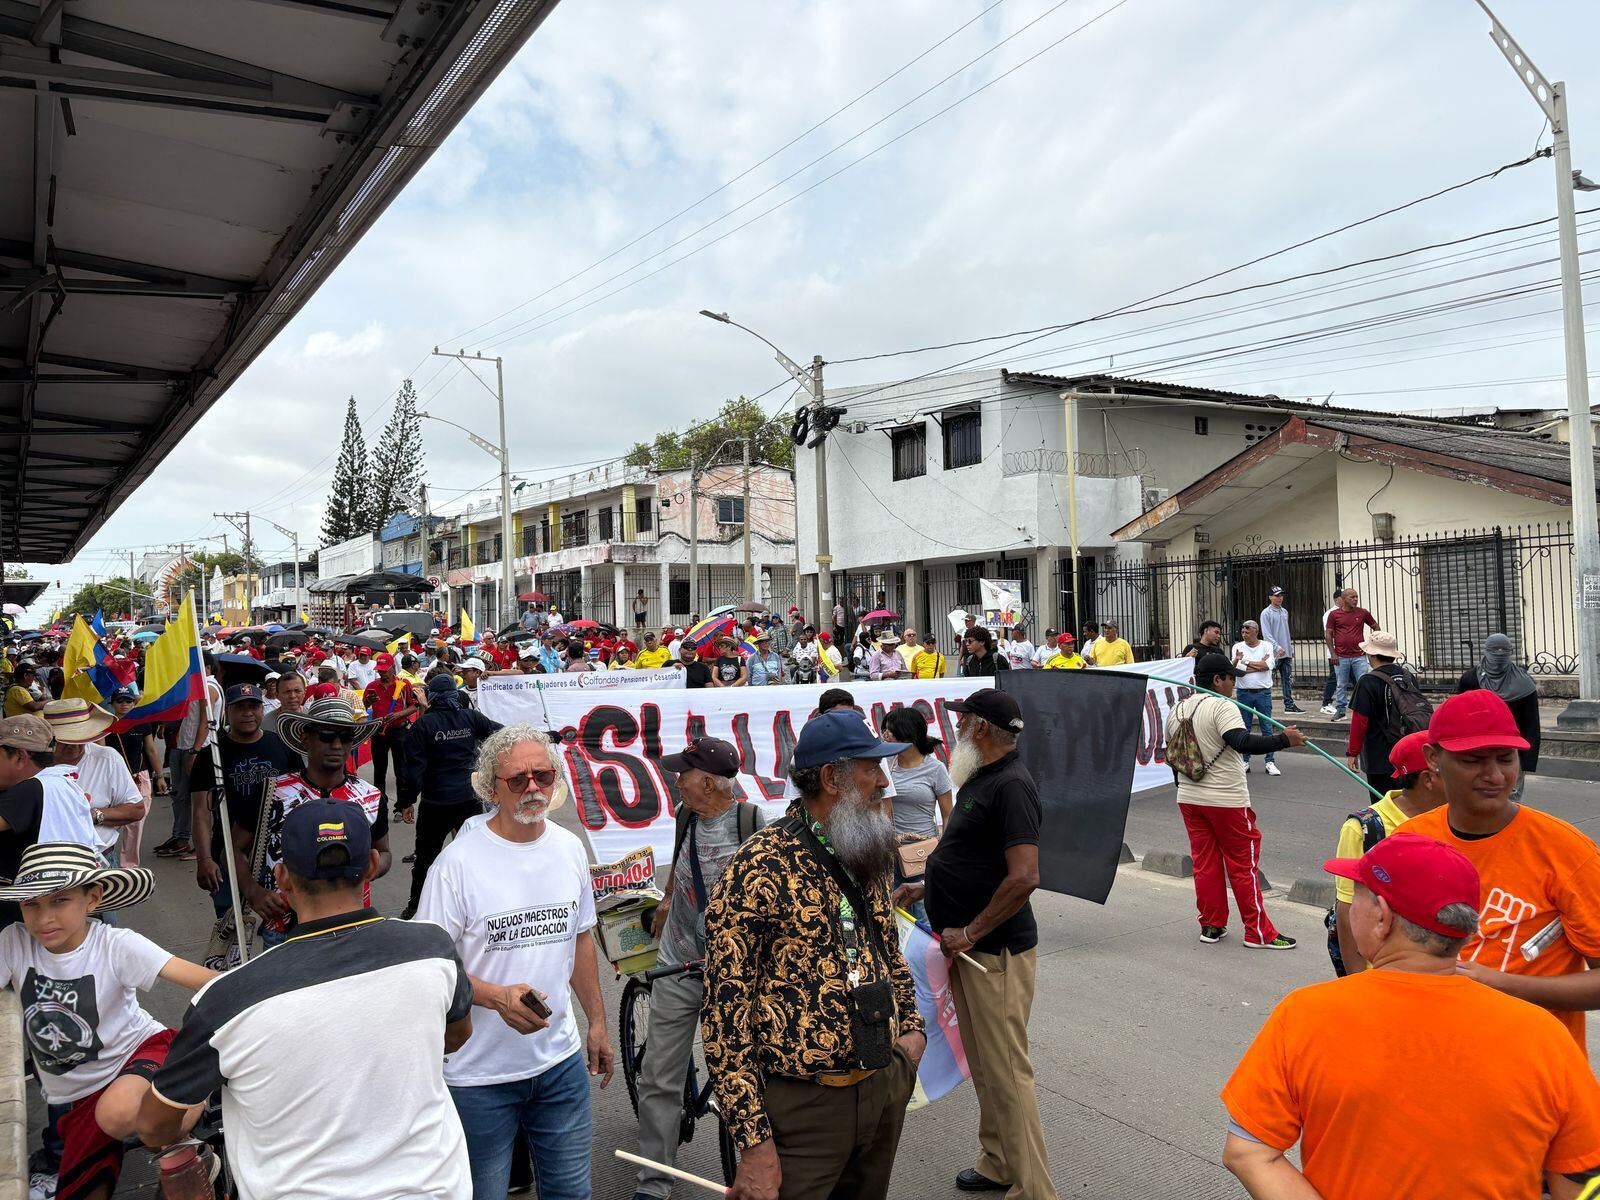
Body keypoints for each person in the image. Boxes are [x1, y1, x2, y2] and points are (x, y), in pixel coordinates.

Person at [1222, 832, 1600, 1200]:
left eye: (1358, 897)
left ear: (1382, 917)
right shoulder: (1543, 1035)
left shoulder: (1306, 1014)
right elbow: (1583, 1178)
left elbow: (1248, 1152)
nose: (1350, 910)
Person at [140, 800, 475, 1200]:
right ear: (371, 865)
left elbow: (154, 1127)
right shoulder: (433, 947)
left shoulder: (226, 1002)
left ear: (281, 877)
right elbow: (455, 1035)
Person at [703, 709, 923, 1200]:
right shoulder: (759, 867)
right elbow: (724, 1018)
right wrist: (755, 1145)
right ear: (830, 778)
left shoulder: (863, 845)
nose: (883, 782)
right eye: (871, 769)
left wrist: (911, 1032)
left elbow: (888, 944)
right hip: (804, 1109)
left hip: (882, 1084)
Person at [417, 725, 612, 1200]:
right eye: (518, 779)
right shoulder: (456, 865)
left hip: (560, 1065)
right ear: (489, 789)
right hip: (477, 1076)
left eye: (543, 776)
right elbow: (430, 968)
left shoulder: (568, 849)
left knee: (571, 1193)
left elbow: (580, 940)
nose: (533, 788)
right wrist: (495, 997)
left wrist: (598, 1022)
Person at [896, 689, 1055, 1200]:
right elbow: (967, 855)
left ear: (981, 729)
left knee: (1007, 1071)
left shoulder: (1011, 786)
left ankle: (1034, 1190)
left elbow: (1024, 876)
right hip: (964, 947)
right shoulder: (978, 779)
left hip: (994, 952)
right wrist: (928, 887)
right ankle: (999, 1160)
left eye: (963, 719)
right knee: (985, 1063)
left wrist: (971, 932)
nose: (957, 726)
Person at [2, 843, 212, 1200]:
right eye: (31, 903)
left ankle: (194, 1093)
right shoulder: (14, 942)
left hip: (140, 1054)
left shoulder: (116, 945)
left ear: (93, 899)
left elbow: (202, 979)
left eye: (58, 900)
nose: (43, 917)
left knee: (120, 1115)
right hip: (76, 1096)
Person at [1400, 690, 1600, 1052]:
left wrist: (1501, 984)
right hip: (1430, 1057)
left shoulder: (1567, 852)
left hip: (1534, 1074)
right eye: (1474, 760)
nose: (1494, 776)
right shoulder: (1409, 842)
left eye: (1506, 759)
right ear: (1433, 759)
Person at [630, 738, 764, 1200]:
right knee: (659, 1077)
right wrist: (665, 904)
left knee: (747, 1074)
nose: (676, 780)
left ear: (708, 782)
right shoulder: (687, 816)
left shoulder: (751, 824)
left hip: (735, 971)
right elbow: (680, 869)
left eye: (683, 774)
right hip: (677, 963)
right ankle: (654, 1181)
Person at [1166, 653, 1305, 949]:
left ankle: (1211, 925)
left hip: (1189, 798)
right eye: (1230, 679)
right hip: (1226, 799)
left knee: (1205, 863)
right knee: (1244, 866)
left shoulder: (1177, 709)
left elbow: (1172, 756)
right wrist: (1284, 739)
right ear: (1218, 680)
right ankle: (1259, 933)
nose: (1233, 685)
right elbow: (1242, 742)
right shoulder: (1222, 706)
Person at [233, 697, 391, 946]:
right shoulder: (273, 792)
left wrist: (367, 871)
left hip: (353, 928)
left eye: (345, 737)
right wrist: (252, 891)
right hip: (283, 930)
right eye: (327, 736)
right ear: (306, 738)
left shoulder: (370, 796)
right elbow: (232, 849)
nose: (337, 745)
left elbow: (384, 853)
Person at [1328, 730, 1444, 975]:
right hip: (1382, 973)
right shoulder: (1366, 829)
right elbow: (1347, 908)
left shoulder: (1453, 822)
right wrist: (1357, 981)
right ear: (1428, 780)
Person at [189, 683, 298, 941]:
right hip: (227, 853)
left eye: (254, 706)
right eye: (240, 707)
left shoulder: (281, 746)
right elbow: (201, 813)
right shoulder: (212, 754)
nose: (248, 713)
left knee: (282, 930)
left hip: (278, 856)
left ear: (262, 709)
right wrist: (204, 859)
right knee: (232, 931)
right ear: (228, 711)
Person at [398, 673, 503, 920]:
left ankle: (416, 908)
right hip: (468, 799)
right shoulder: (470, 717)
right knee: (475, 854)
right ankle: (482, 906)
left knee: (426, 858)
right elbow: (502, 735)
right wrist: (546, 735)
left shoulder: (423, 725)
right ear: (455, 695)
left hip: (436, 803)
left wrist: (406, 802)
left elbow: (413, 770)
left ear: (432, 696)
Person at [0, 714, 97, 928]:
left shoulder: (29, 791)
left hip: (26, 912)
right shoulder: (59, 782)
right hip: (61, 902)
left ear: (19, 756)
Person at [42, 700, 145, 882]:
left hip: (99, 861)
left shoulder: (107, 759)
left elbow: (137, 809)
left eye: (79, 738)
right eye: (65, 740)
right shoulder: (33, 762)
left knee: (104, 911)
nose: (73, 745)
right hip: (47, 867)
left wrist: (94, 815)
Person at [883, 707, 951, 925]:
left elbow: (948, 814)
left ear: (906, 733)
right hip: (891, 853)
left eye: (889, 731)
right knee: (896, 916)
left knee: (923, 918)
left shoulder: (935, 769)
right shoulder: (887, 765)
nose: (885, 735)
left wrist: (944, 853)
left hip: (923, 855)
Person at [1342, 629, 1428, 797]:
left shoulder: (1368, 681)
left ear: (1371, 655)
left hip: (1379, 757)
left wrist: (1353, 753)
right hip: (1408, 750)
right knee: (1408, 802)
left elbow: (1359, 722)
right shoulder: (1407, 676)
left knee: (1383, 805)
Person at [1458, 632, 1540, 794]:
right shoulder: (1470, 679)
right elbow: (1461, 715)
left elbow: (1531, 723)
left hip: (1510, 750)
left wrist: (1528, 759)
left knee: (1510, 796)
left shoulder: (1523, 683)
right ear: (1486, 652)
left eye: (1504, 652)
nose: (1499, 657)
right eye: (1495, 651)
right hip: (1477, 749)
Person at [106, 689, 161, 867]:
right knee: (109, 822)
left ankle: (129, 866)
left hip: (140, 777)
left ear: (134, 703)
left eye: (128, 701)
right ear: (113, 704)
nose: (124, 704)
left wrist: (160, 776)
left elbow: (151, 750)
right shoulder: (106, 725)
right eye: (120, 701)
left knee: (136, 823)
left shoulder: (142, 724)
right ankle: (105, 860)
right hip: (114, 780)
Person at [364, 652, 418, 810]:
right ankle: (380, 805)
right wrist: (368, 701)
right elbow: (363, 707)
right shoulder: (372, 686)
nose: (382, 673)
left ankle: (401, 806)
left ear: (392, 668)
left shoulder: (404, 684)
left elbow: (414, 705)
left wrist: (398, 715)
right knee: (379, 770)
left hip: (399, 731)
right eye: (379, 670)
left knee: (401, 770)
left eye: (384, 670)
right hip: (379, 731)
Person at [1230, 620, 1280, 777]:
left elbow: (1268, 665)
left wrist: (1247, 663)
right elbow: (1237, 670)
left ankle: (1270, 761)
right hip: (1244, 692)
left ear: (1255, 632)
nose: (1244, 635)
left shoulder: (1266, 646)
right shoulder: (1237, 647)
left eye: (1247, 632)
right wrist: (1259, 664)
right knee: (1244, 728)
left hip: (1263, 691)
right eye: (1243, 632)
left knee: (1267, 727)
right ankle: (1245, 760)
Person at [1324, 587, 1378, 721]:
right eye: (1352, 597)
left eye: (1356, 597)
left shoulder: (1363, 613)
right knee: (1341, 684)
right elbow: (1328, 633)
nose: (1355, 599)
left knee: (1363, 683)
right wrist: (1333, 653)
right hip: (1341, 656)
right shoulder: (1334, 615)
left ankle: (1365, 711)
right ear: (1343, 599)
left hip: (1359, 655)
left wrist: (1372, 645)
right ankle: (1341, 710)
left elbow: (1375, 626)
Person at [1258, 586, 1301, 712]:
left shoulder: (1284, 612)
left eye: (1281, 595)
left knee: (1287, 680)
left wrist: (1290, 648)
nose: (1280, 598)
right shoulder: (1266, 613)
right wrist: (1277, 647)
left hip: (1286, 651)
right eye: (1277, 596)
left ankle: (1289, 705)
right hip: (1274, 653)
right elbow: (1267, 634)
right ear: (1270, 597)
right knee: (1267, 679)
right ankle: (1263, 704)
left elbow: (1286, 632)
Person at [260, 669, 304, 735]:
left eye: (297, 691)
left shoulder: (313, 718)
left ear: (304, 693)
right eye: (287, 692)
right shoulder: (266, 723)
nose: (292, 696)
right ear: (277, 695)